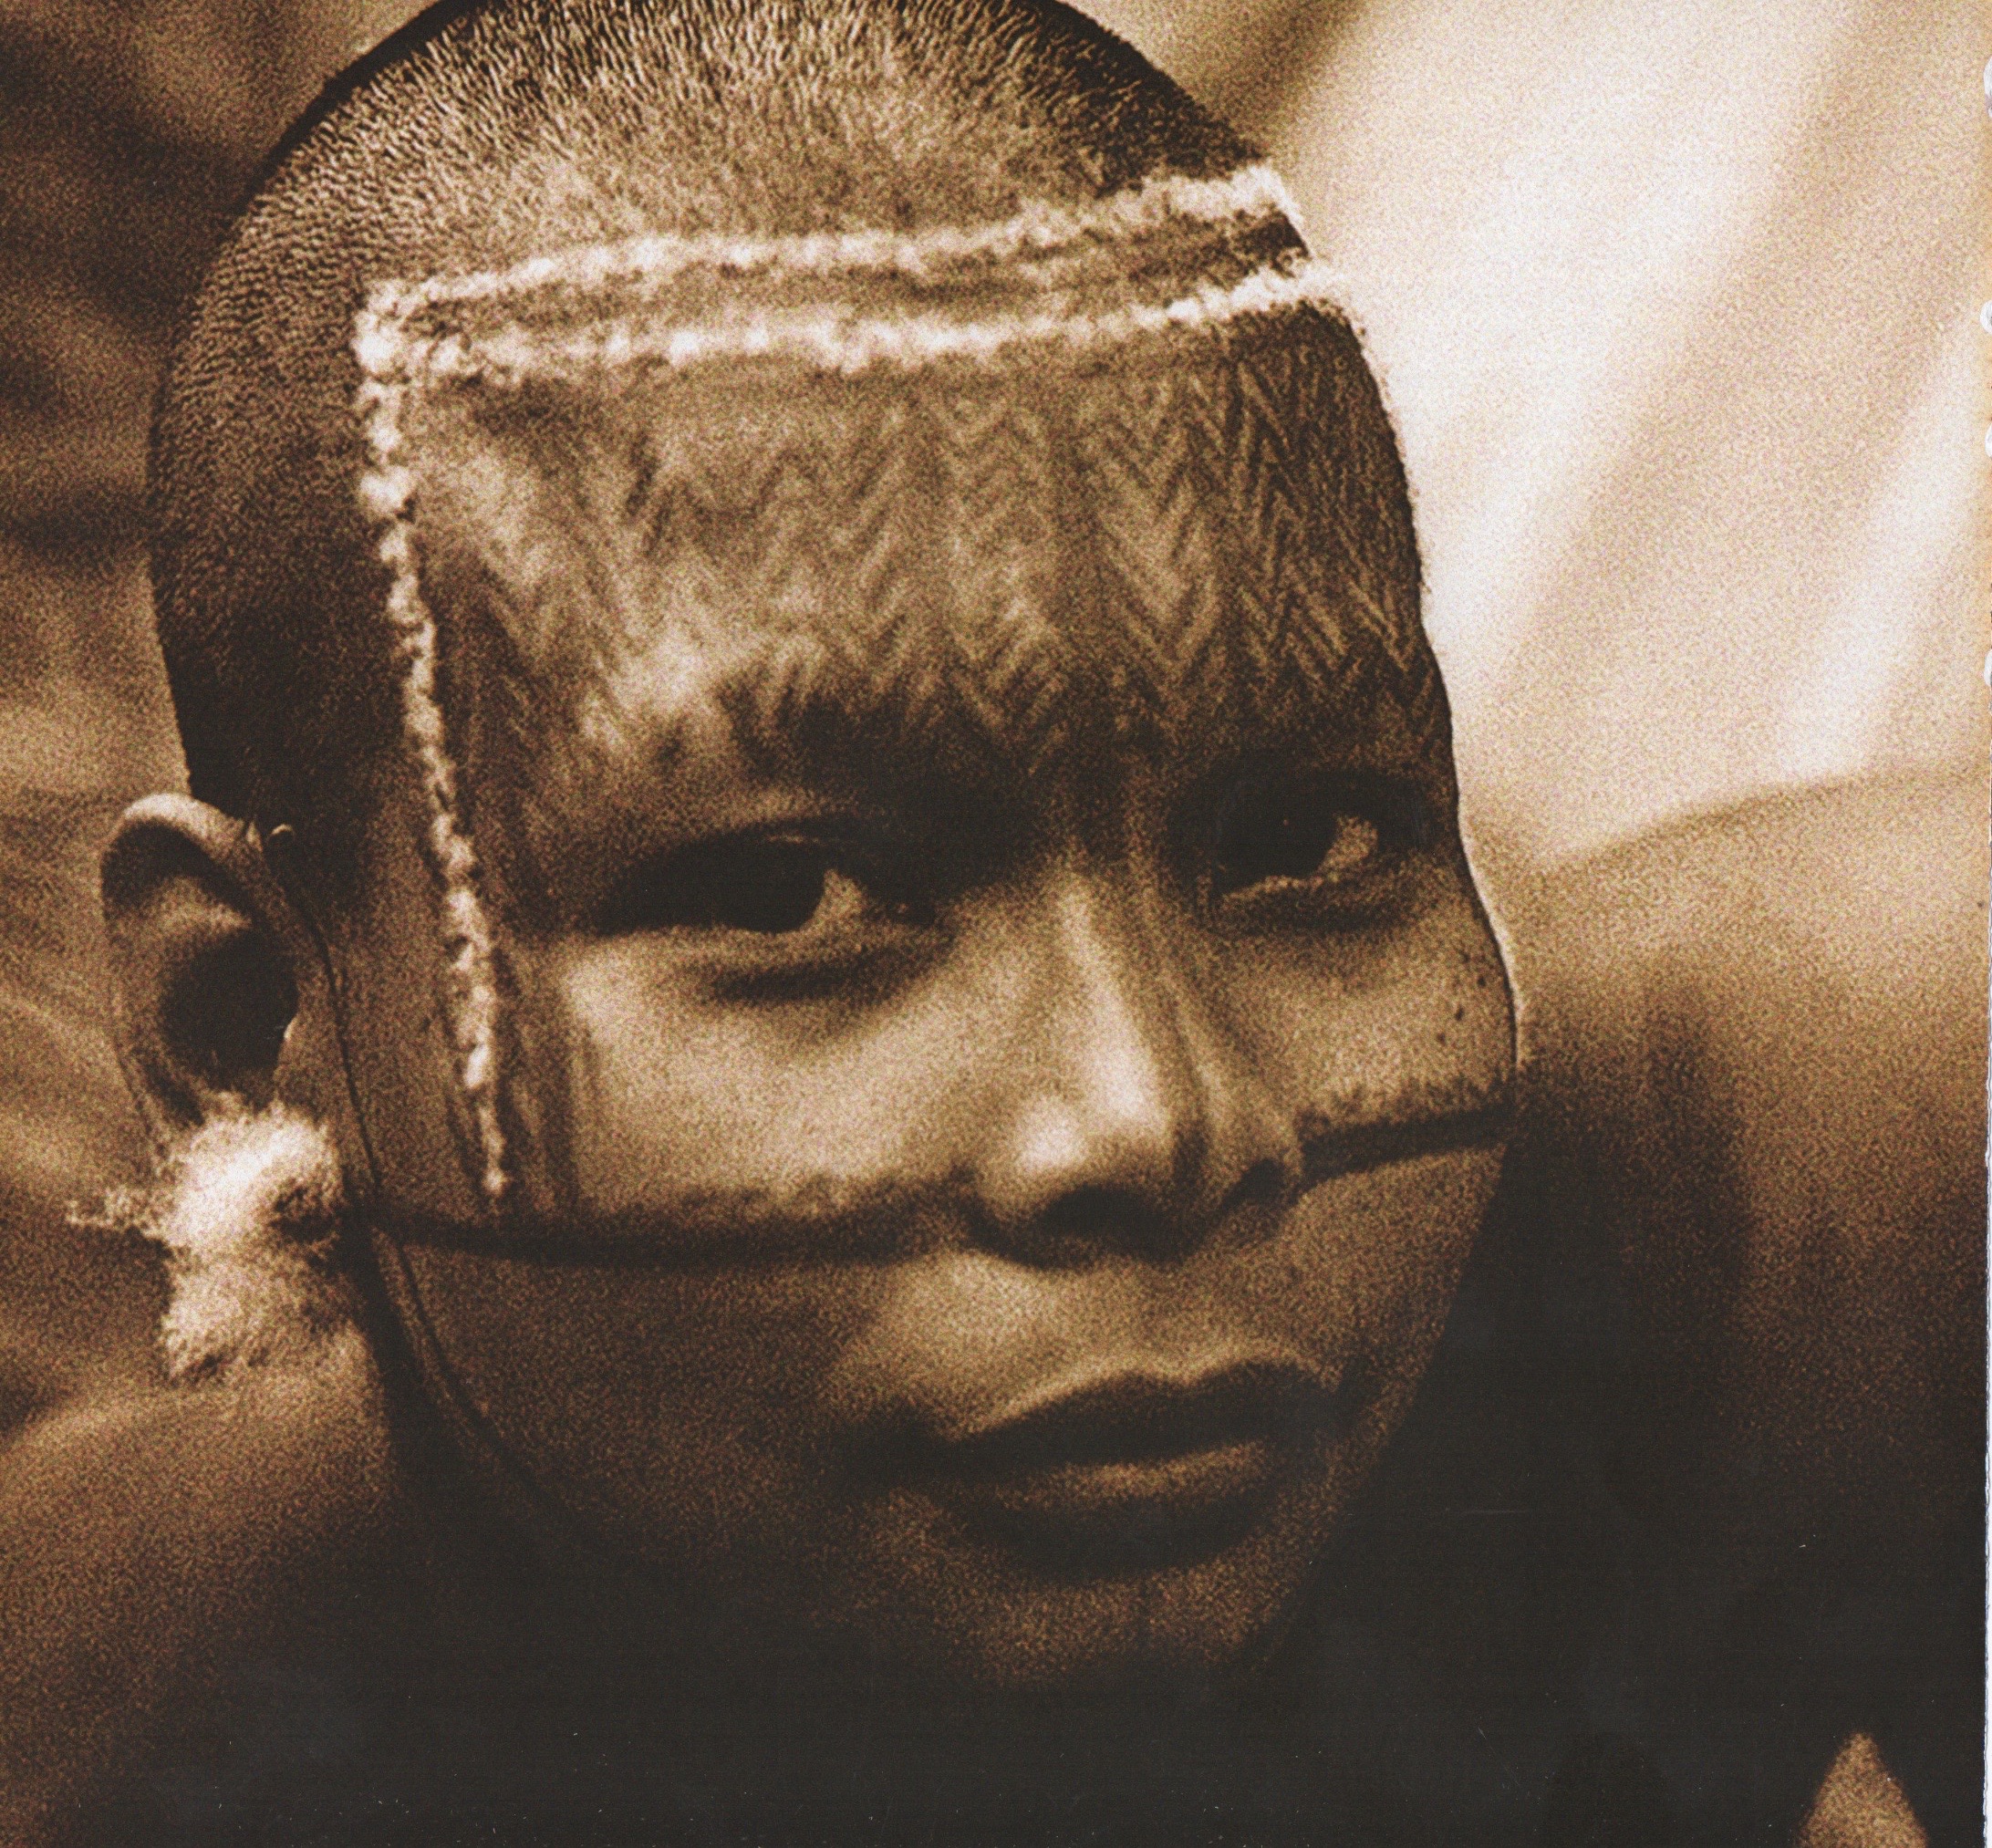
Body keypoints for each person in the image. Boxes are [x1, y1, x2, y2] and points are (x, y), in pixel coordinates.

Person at [0, 1, 1978, 1842]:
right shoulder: (110, 1735)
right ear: (252, 1025)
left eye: (1310, 836)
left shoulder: (1826, 1184)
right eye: (791, 894)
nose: (1158, 1119)